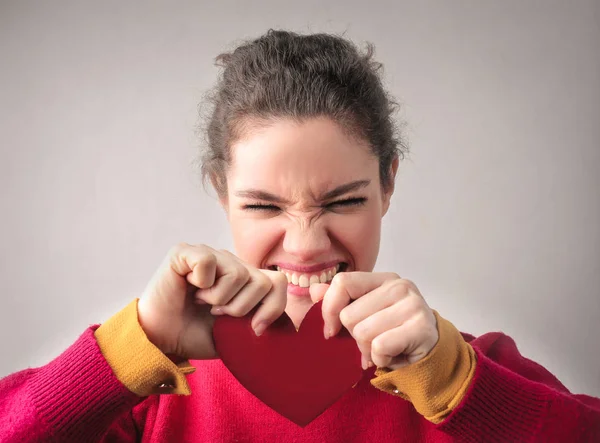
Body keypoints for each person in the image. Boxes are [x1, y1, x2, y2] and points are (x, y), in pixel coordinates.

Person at [1, 29, 599, 443]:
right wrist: (139, 343)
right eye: (263, 205)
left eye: (345, 201)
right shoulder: (148, 396)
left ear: (388, 184)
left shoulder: (475, 371)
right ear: (220, 190)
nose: (307, 244)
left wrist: (455, 382)